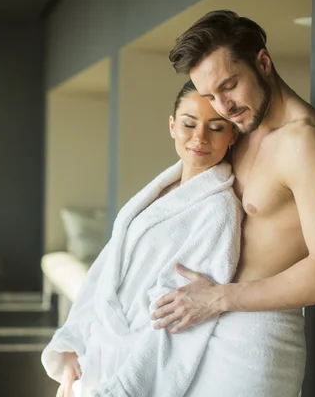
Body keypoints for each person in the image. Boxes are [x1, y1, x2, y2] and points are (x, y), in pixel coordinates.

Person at [151, 8, 315, 392]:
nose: (223, 106)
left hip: (254, 342)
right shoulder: (239, 132)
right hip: (202, 325)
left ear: (263, 62)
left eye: (229, 85)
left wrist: (217, 299)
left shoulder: (306, 142)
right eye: (211, 95)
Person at [42, 80, 244, 396]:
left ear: (232, 134)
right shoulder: (161, 189)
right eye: (189, 124)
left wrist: (121, 389)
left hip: (133, 371)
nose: (199, 137)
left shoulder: (220, 210)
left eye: (216, 127)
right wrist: (71, 343)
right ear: (172, 126)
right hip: (93, 357)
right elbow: (106, 269)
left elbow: (181, 318)